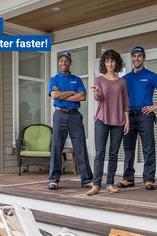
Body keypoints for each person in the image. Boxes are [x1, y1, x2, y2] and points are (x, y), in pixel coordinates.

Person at [117, 46, 157, 190]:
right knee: (128, 148)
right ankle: (128, 178)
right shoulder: (125, 79)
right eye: (134, 56)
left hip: (145, 116)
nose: (136, 58)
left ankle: (149, 179)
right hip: (129, 117)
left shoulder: (151, 76)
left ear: (144, 58)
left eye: (139, 56)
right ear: (131, 58)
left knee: (148, 148)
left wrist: (155, 106)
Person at [86, 49, 129, 196]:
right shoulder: (99, 80)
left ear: (116, 62)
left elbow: (125, 103)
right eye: (107, 61)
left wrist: (127, 121)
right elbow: (99, 98)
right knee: (100, 153)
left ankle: (109, 183)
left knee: (114, 153)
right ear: (104, 63)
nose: (110, 63)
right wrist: (97, 92)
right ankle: (96, 185)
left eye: (112, 60)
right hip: (102, 119)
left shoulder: (122, 82)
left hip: (119, 121)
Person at [48, 51, 93, 190]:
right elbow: (54, 95)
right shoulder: (54, 79)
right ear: (58, 63)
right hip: (59, 115)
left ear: (70, 63)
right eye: (61, 60)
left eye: (66, 60)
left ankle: (86, 180)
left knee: (80, 146)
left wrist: (62, 95)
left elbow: (82, 97)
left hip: (75, 116)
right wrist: (72, 93)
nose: (63, 63)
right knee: (56, 146)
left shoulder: (77, 79)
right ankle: (53, 179)